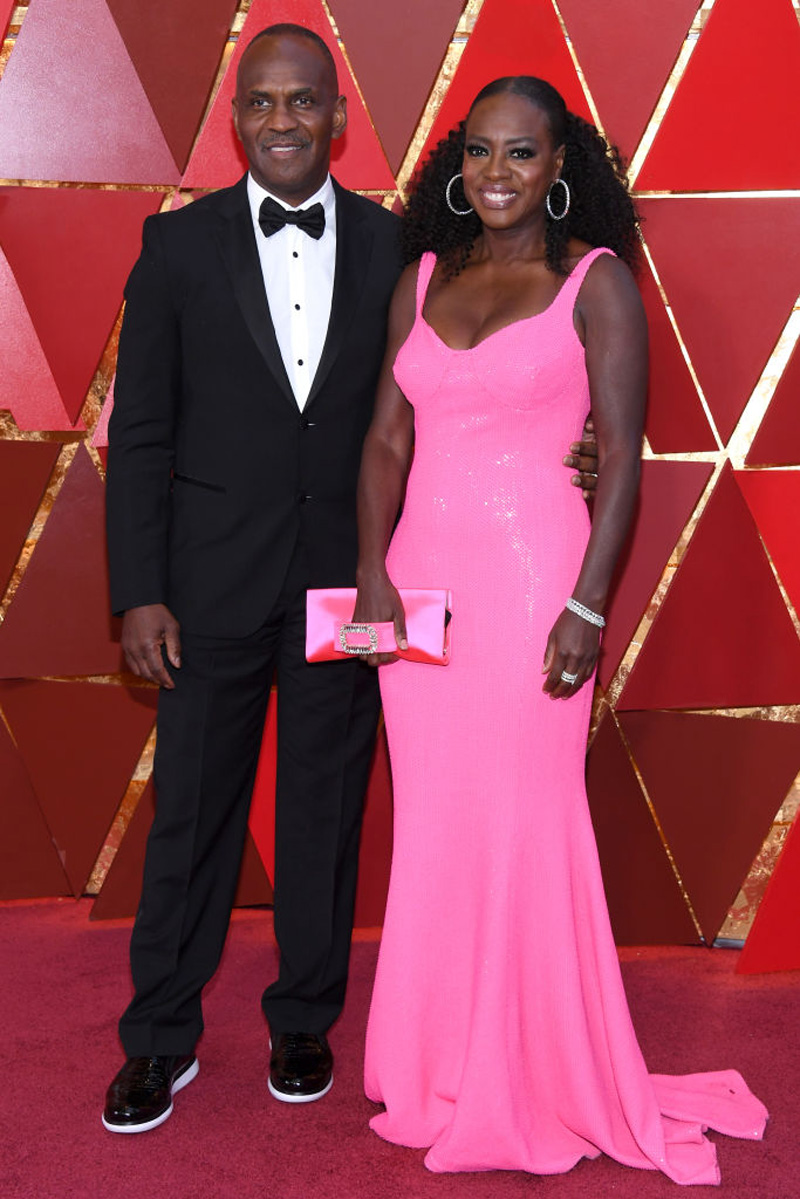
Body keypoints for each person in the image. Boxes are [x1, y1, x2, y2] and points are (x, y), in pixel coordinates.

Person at [102, 25, 597, 1132]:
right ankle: (158, 1038)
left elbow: (474, 379)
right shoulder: (175, 249)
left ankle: (303, 1020)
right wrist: (138, 589)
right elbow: (139, 434)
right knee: (191, 816)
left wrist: (588, 441)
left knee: (324, 810)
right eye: (262, 102)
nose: (282, 121)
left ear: (338, 115)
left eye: (303, 101)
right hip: (204, 587)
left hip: (356, 583)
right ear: (237, 118)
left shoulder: (400, 253)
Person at [353, 77, 767, 1184]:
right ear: (458, 161)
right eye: (480, 151)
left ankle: (535, 1067)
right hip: (419, 591)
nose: (497, 173)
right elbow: (387, 438)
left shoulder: (596, 283)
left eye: (521, 154)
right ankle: (437, 1057)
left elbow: (622, 458)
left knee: (527, 819)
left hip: (537, 584)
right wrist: (369, 571)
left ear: (557, 167)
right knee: (437, 821)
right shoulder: (421, 279)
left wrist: (586, 603)